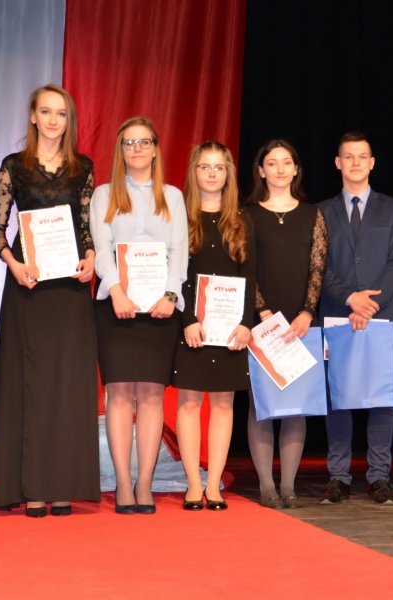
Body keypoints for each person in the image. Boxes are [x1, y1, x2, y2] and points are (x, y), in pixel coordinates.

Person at [0, 84, 100, 517]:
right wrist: (13, 264)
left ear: (69, 121)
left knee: (67, 383)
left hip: (70, 287)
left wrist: (91, 258)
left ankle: (63, 485)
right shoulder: (13, 166)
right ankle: (33, 485)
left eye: (62, 113)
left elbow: (87, 226)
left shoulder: (82, 167)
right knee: (30, 382)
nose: (54, 120)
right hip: (29, 284)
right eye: (47, 112)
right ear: (33, 116)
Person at [90, 116, 188, 515]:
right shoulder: (103, 194)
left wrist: (170, 296)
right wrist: (116, 291)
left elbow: (179, 251)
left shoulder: (173, 196)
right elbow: (101, 247)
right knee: (118, 395)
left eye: (143, 142)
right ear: (120, 150)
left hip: (161, 308)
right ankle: (122, 483)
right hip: (116, 304)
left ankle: (144, 482)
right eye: (129, 143)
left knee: (150, 395)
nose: (136, 149)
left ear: (155, 149)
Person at [317, 132, 393, 506]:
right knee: (338, 397)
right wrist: (349, 298)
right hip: (337, 314)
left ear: (372, 163)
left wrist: (370, 303)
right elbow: (318, 266)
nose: (355, 162)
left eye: (362, 156)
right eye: (348, 156)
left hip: (381, 317)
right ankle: (338, 476)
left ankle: (379, 476)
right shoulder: (321, 212)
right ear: (337, 163)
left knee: (380, 399)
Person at [172, 141, 255, 511]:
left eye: (218, 167)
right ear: (194, 172)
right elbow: (175, 274)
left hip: (229, 329)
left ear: (228, 174)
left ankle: (214, 483)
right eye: (204, 166)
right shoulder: (179, 217)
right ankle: (193, 483)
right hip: (191, 327)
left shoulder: (241, 219)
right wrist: (187, 320)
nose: (211, 173)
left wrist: (246, 324)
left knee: (223, 403)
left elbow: (250, 275)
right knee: (189, 402)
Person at [245, 139, 327, 509]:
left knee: (297, 406)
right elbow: (244, 266)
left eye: (286, 162)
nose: (280, 169)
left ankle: (289, 485)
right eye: (272, 163)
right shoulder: (246, 214)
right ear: (261, 171)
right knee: (261, 405)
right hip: (261, 324)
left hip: (301, 325)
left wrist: (308, 311)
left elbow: (318, 267)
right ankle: (266, 485)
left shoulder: (313, 215)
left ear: (296, 170)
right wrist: (262, 311)